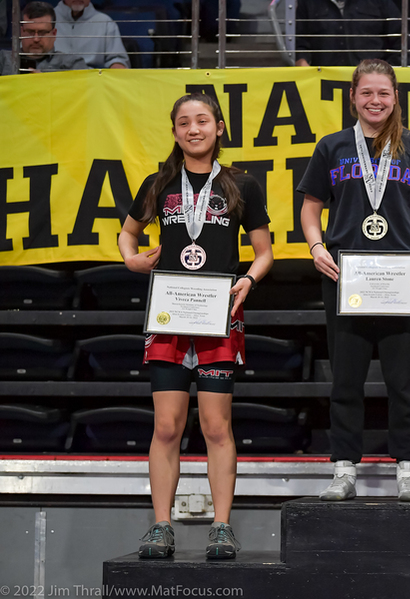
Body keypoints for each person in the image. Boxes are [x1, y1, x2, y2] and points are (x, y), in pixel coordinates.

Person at [118, 93, 273, 559]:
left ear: (219, 128)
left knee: (215, 426)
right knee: (166, 427)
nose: (194, 129)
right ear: (174, 133)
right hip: (169, 318)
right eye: (184, 123)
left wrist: (247, 279)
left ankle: (221, 527)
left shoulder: (242, 185)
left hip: (218, 317)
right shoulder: (158, 184)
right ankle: (161, 526)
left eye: (202, 120)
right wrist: (132, 261)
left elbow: (264, 252)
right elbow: (129, 233)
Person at [298, 59, 410, 501]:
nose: (375, 101)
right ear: (353, 97)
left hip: (403, 279)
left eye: (383, 93)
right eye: (367, 93)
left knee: (403, 382)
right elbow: (310, 208)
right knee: (345, 380)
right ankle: (344, 469)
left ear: (395, 97)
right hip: (346, 277)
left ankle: (408, 471)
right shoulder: (333, 147)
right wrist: (317, 247)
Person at [293, 0, 403, 67]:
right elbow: (299, 42)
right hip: (324, 85)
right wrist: (302, 63)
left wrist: (387, 72)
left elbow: (401, 41)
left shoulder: (380, 2)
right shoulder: (307, 3)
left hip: (372, 84)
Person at [0, 1, 87, 75]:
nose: (36, 39)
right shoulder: (3, 60)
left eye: (42, 33)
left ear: (54, 33)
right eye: (30, 32)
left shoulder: (73, 64)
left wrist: (46, 84)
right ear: (21, 32)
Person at [53, 0, 129, 69]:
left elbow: (118, 60)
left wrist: (117, 66)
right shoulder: (47, 21)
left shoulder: (105, 22)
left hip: (92, 79)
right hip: (53, 78)